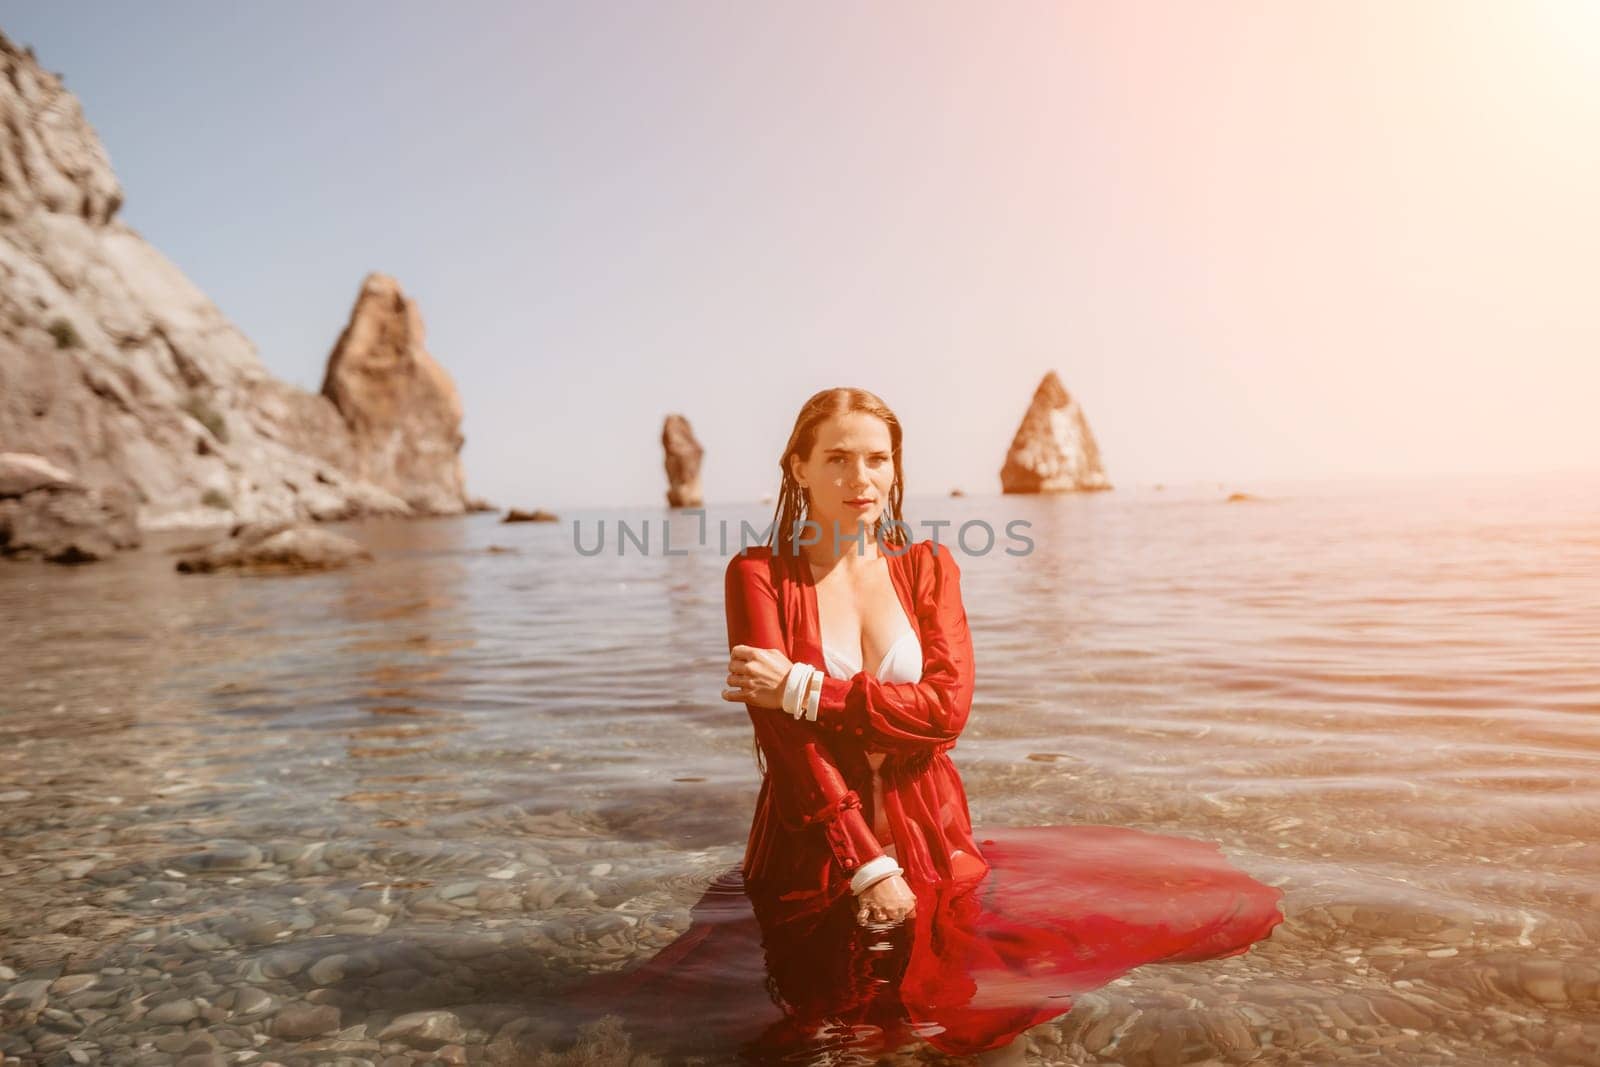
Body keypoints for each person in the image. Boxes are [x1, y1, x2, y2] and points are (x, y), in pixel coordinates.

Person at [565, 388, 1286, 1064]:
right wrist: (867, 863)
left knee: (964, 1023)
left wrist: (805, 685)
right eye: (839, 458)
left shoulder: (929, 566)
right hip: (810, 841)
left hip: (934, 836)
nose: (862, 477)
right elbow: (787, 744)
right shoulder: (757, 574)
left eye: (878, 457)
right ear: (800, 467)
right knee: (814, 1028)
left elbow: (948, 711)